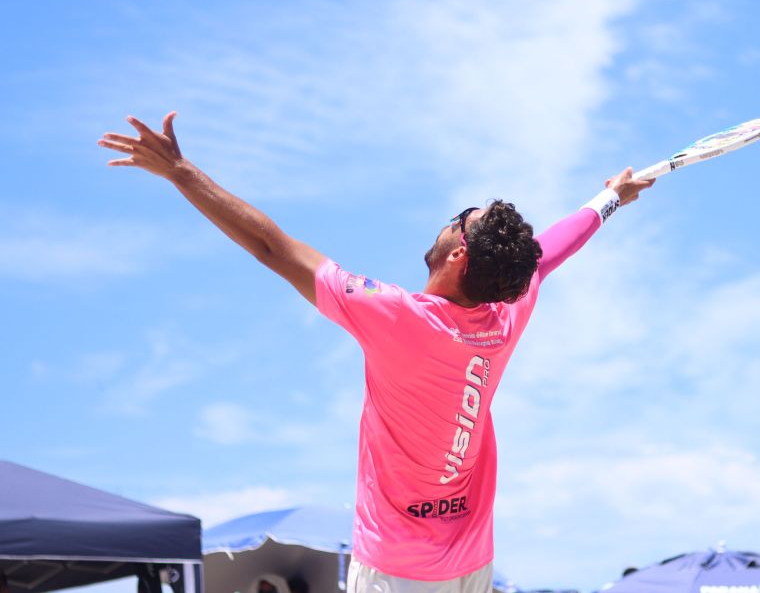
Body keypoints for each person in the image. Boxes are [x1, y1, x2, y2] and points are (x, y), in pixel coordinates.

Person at [99, 113, 654, 593]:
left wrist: (180, 172)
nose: (449, 218)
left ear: (458, 252)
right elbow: (551, 249)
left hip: (396, 569)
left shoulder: (397, 317)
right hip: (471, 563)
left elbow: (272, 247)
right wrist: (609, 199)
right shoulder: (504, 312)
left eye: (460, 216)